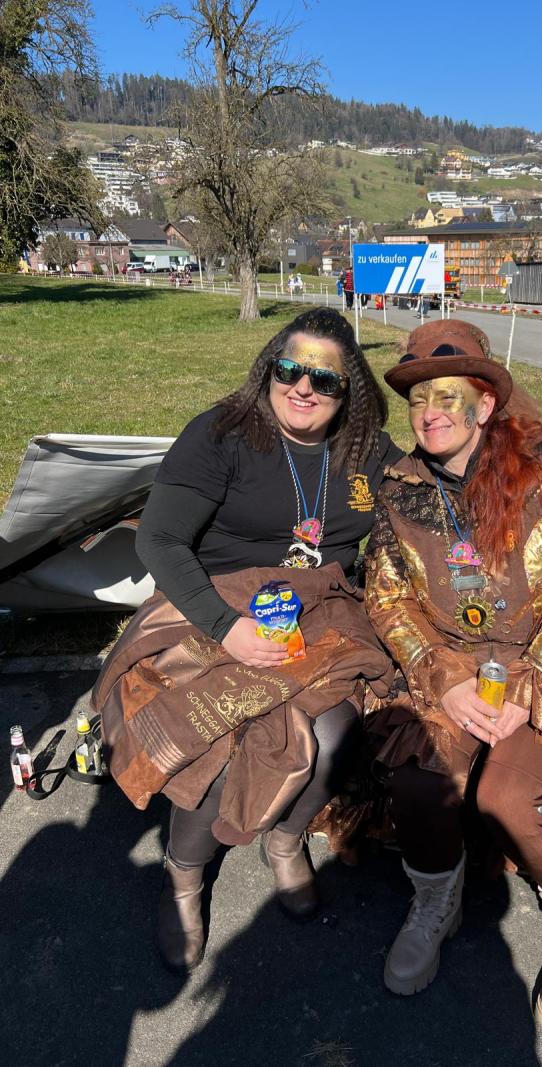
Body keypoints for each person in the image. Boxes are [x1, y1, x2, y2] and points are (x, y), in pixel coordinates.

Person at [93, 307, 402, 974]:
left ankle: (286, 840)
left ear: (349, 387)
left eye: (325, 379)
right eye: (290, 370)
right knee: (219, 741)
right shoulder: (222, 434)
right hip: (211, 607)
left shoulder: (367, 450)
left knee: (334, 736)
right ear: (268, 369)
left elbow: (434, 508)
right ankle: (183, 877)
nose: (304, 388)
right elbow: (160, 539)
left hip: (321, 615)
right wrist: (227, 627)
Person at [363, 319, 542, 1032]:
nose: (429, 413)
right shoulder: (400, 486)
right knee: (419, 781)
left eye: (447, 395)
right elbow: (386, 596)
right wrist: (442, 677)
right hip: (449, 663)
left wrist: (532, 686)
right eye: (417, 400)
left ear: (483, 404)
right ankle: (436, 900)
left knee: (510, 795)